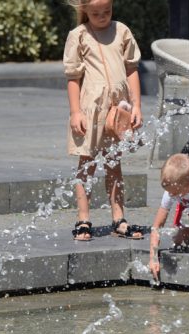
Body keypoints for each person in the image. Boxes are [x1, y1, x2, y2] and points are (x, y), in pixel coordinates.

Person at [64, 0, 143, 241]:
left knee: (114, 163)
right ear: (84, 10)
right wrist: (75, 112)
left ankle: (118, 218)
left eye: (107, 11)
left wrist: (137, 105)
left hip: (117, 110)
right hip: (91, 110)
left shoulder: (122, 31)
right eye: (96, 13)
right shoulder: (78, 35)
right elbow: (73, 78)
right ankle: (83, 219)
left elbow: (131, 69)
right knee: (86, 165)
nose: (102, 17)